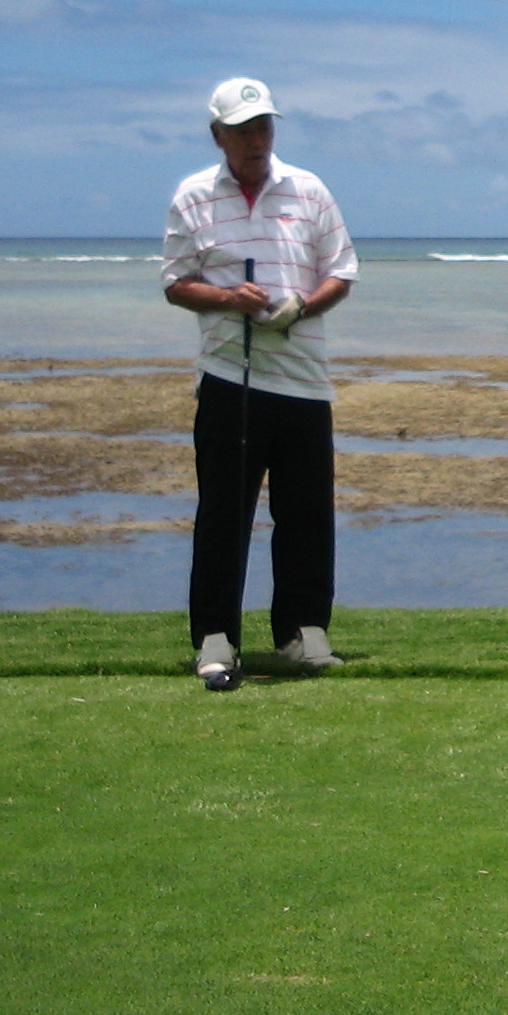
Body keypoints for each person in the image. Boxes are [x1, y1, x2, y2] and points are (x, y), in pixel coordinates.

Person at [160, 77, 358, 690]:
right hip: (229, 380)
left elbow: (341, 271)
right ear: (218, 135)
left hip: (303, 381)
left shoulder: (309, 189)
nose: (256, 139)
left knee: (306, 513)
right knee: (224, 515)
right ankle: (216, 641)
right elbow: (175, 282)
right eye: (243, 129)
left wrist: (300, 305)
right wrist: (227, 297)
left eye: (264, 126)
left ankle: (303, 634)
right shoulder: (194, 196)